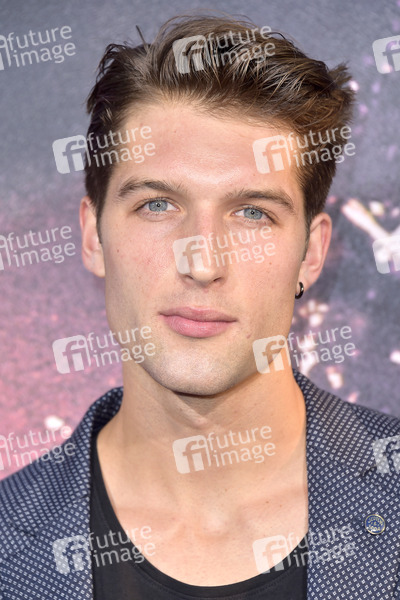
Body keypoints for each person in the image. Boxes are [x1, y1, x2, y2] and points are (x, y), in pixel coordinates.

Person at [2, 14, 400, 600]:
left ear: (311, 255)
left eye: (253, 212)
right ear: (93, 237)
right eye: (157, 205)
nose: (203, 263)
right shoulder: (9, 541)